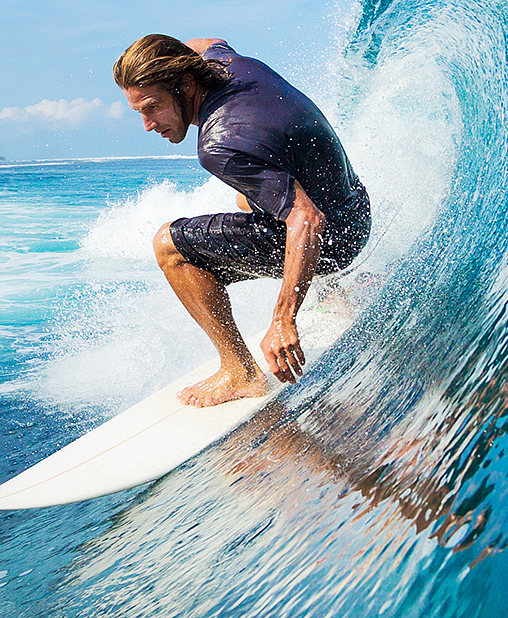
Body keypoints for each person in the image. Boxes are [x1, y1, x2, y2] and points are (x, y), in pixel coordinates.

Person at [114, 34, 370, 407]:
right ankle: (337, 290)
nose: (147, 124)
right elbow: (208, 40)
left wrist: (284, 319)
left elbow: (306, 218)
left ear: (185, 84)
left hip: (335, 241)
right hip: (356, 210)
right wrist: (160, 57)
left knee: (169, 246)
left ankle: (241, 374)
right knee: (247, 195)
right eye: (138, 110)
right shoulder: (224, 64)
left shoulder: (221, 145)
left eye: (152, 107)